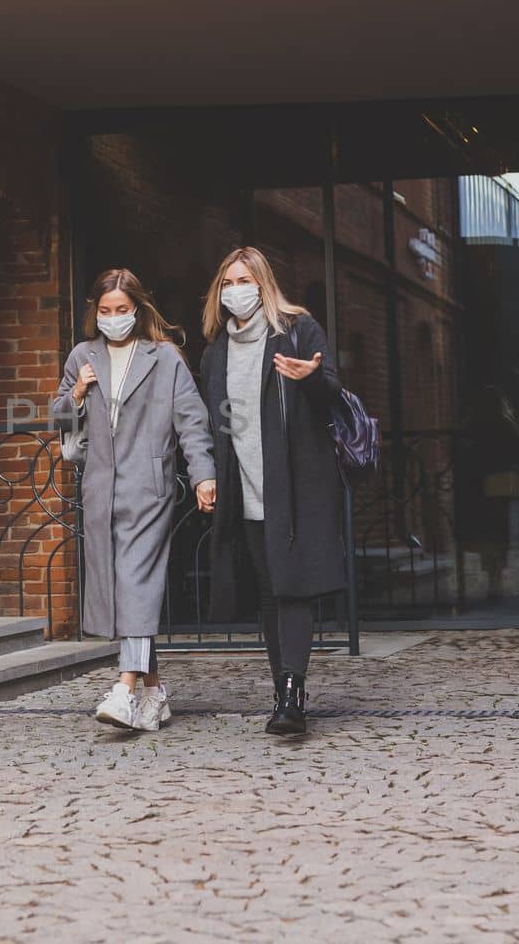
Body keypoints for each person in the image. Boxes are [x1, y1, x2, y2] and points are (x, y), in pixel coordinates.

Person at [53, 268, 216, 732]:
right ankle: (155, 689)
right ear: (95, 312)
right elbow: (60, 414)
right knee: (124, 590)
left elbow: (192, 422)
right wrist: (79, 390)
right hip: (102, 489)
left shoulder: (164, 359)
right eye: (105, 311)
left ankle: (124, 689)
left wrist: (203, 475)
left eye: (122, 311)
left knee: (136, 582)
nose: (113, 318)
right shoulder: (83, 355)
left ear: (137, 309)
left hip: (150, 487)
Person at [199, 247, 346, 737]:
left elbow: (332, 392)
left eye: (245, 280)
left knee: (292, 586)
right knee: (268, 590)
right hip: (247, 483)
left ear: (263, 285)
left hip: (295, 482)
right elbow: (215, 421)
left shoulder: (297, 329)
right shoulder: (216, 351)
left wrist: (311, 380)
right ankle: (282, 687)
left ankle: (291, 694)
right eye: (227, 282)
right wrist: (210, 474)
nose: (235, 290)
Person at [456, 387, 519, 600]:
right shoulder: (506, 424)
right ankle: (495, 575)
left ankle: (490, 573)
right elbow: (516, 450)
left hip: (477, 484)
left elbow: (462, 451)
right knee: (497, 529)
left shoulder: (471, 425)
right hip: (498, 483)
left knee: (485, 529)